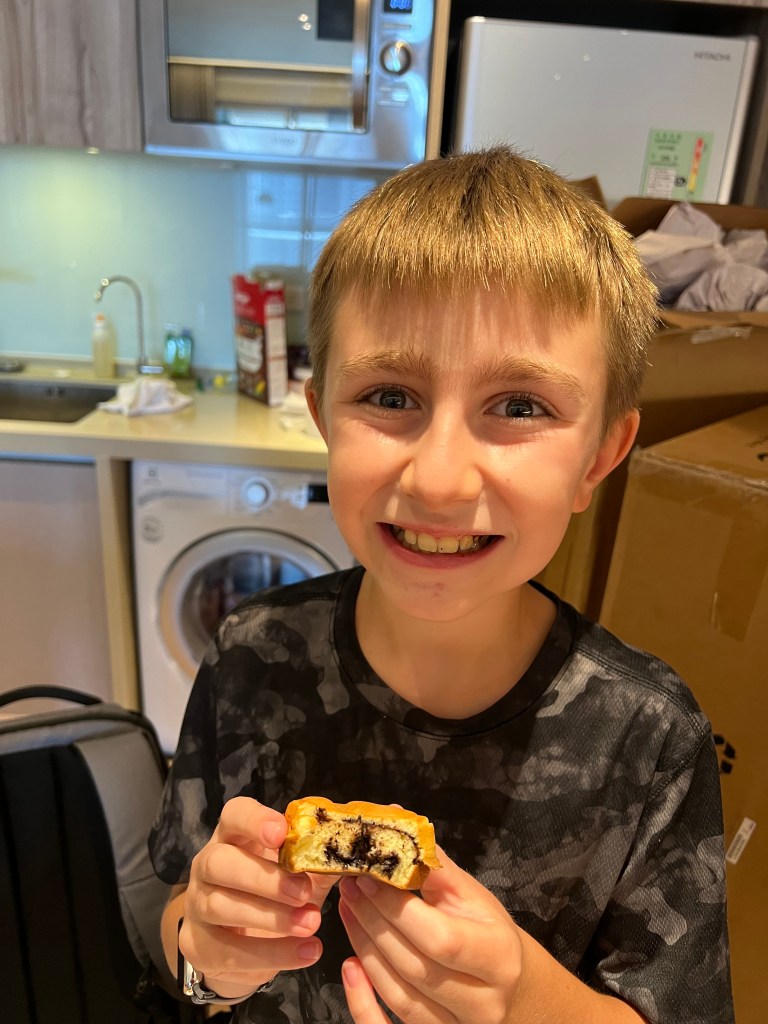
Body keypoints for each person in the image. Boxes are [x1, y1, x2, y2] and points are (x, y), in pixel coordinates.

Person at [149, 146, 733, 1024]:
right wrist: (209, 954)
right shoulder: (251, 654)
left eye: (521, 406)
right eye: (390, 396)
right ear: (323, 416)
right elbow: (179, 916)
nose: (440, 480)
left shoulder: (650, 737)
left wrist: (526, 1000)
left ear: (599, 458)